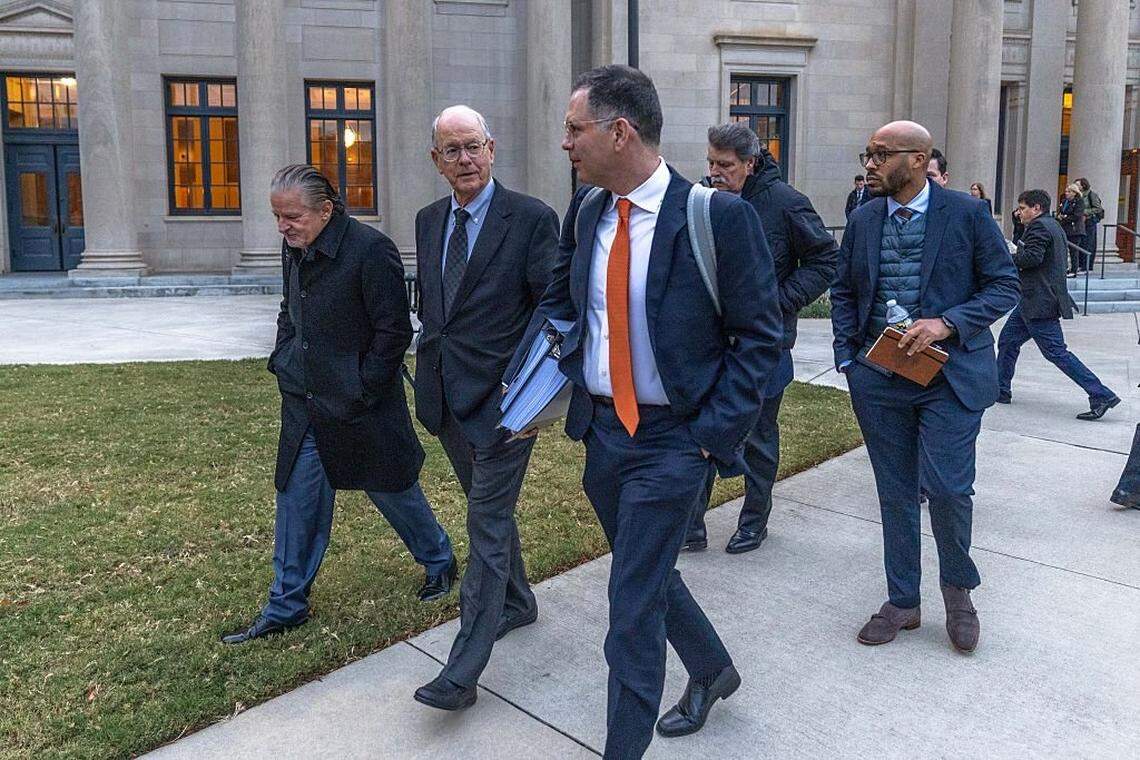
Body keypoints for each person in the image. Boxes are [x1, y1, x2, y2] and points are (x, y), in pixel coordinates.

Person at [538, 65, 782, 758]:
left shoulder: (717, 217)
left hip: (675, 443)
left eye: (574, 129)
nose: (566, 143)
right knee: (646, 574)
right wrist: (542, 380)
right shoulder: (585, 212)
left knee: (631, 606)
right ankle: (711, 668)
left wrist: (709, 439)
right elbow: (563, 304)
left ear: (620, 131)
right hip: (603, 436)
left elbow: (760, 337)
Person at [222, 165, 456, 645]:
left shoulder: (372, 252)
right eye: (277, 217)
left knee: (391, 488)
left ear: (326, 210)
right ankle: (287, 604)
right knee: (297, 498)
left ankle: (439, 559)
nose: (283, 227)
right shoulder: (295, 249)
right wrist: (284, 356)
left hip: (359, 405)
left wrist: (361, 387)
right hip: (304, 401)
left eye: (292, 216)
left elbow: (395, 332)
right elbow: (292, 309)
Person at [832, 121, 1019, 654]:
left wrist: (948, 322)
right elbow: (844, 290)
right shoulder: (864, 219)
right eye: (867, 153)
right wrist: (849, 357)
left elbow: (1004, 285)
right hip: (881, 379)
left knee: (949, 490)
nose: (870, 162)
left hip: (950, 377)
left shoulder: (966, 214)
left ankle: (958, 593)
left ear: (917, 159)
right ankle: (903, 600)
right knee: (894, 493)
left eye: (880, 154)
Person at [410, 106, 559, 710]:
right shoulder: (426, 221)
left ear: (492, 149)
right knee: (485, 509)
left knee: (486, 524)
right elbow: (438, 313)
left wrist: (525, 395)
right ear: (436, 160)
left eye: (474, 146)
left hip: (505, 404)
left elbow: (550, 312)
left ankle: (462, 670)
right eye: (452, 150)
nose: (465, 159)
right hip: (447, 398)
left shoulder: (529, 219)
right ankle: (518, 602)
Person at [685, 123, 838, 553]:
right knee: (699, 433)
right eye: (711, 162)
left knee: (756, 436)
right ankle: (691, 524)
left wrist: (780, 302)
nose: (715, 172)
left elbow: (826, 260)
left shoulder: (786, 204)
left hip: (764, 347)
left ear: (750, 164)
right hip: (708, 345)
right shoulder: (700, 201)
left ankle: (754, 519)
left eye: (726, 165)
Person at [996, 189, 1119, 421]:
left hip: (1039, 302)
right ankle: (1000, 389)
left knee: (1056, 353)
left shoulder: (1040, 227)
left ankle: (1101, 394)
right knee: (1008, 341)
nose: (1019, 212)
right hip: (1033, 301)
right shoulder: (1051, 225)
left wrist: (1007, 254)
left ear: (1036, 208)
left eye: (1022, 208)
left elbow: (1031, 258)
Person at [1056, 183, 1087, 276]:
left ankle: (1074, 270)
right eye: (1066, 191)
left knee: (1073, 250)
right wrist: (1060, 216)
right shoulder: (1065, 201)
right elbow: (1060, 212)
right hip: (1064, 228)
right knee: (1063, 249)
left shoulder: (1079, 202)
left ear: (1074, 193)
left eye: (1069, 192)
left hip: (1074, 230)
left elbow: (1077, 215)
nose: (1066, 193)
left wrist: (1065, 218)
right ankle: (1064, 268)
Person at [1076, 177, 1105, 272]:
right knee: (1080, 243)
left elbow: (1098, 208)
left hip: (1089, 222)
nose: (1076, 186)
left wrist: (1084, 212)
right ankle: (1080, 264)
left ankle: (1087, 266)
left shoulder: (1091, 195)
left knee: (1088, 243)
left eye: (1077, 184)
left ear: (1083, 185)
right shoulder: (1078, 195)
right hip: (1080, 222)